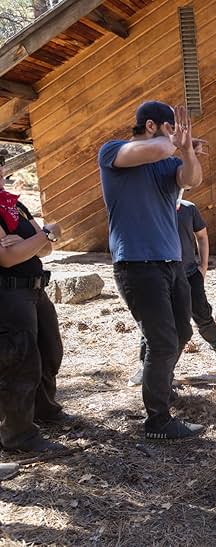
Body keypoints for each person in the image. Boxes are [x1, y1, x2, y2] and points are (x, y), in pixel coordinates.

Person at [99, 101, 206, 441]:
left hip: (170, 263)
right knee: (161, 341)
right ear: (151, 126)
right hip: (136, 263)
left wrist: (188, 153)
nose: (176, 135)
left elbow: (193, 179)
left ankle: (159, 384)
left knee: (181, 334)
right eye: (170, 127)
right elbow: (155, 148)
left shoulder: (168, 162)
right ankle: (157, 421)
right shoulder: (114, 152)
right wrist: (176, 142)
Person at [0, 150, 68, 453]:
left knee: (50, 351)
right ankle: (19, 436)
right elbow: (7, 257)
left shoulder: (14, 205)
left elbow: (43, 251)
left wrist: (40, 239)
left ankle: (44, 411)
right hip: (9, 292)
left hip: (35, 288)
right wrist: (45, 235)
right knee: (20, 363)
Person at [128, 196, 216, 387]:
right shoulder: (150, 207)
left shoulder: (188, 209)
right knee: (155, 323)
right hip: (160, 277)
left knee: (203, 316)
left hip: (190, 275)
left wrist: (204, 266)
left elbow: (202, 236)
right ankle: (146, 368)